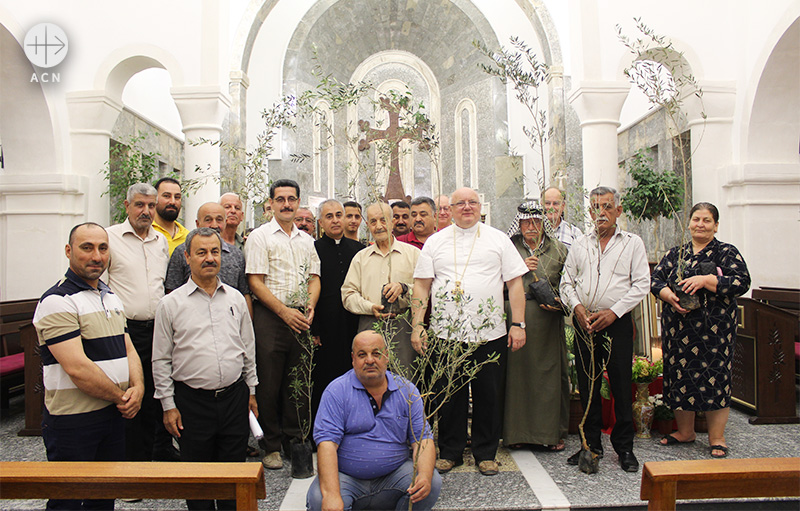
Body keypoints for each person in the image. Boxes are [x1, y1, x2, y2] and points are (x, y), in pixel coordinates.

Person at [411, 187, 528, 476]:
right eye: (459, 203)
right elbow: (421, 286)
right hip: (446, 333)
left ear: (480, 207)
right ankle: (450, 451)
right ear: (448, 210)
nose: (466, 207)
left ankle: (486, 452)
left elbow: (515, 284)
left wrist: (518, 324)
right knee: (450, 395)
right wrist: (417, 325)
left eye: (472, 202)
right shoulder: (436, 242)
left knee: (489, 395)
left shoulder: (498, 239)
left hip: (490, 333)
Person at [33, 222, 144, 511]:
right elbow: (77, 369)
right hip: (74, 421)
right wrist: (123, 398)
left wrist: (139, 387)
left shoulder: (109, 294)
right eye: (87, 248)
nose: (96, 256)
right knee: (68, 500)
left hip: (111, 415)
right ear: (69, 251)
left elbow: (127, 346)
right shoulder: (56, 300)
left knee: (103, 497)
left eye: (103, 248)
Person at [153, 228, 258, 510]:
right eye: (201, 252)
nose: (209, 258)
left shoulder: (236, 298)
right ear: (187, 257)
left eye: (214, 252)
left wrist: (251, 391)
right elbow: (161, 359)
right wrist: (167, 405)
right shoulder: (170, 304)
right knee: (197, 479)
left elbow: (248, 347)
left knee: (232, 475)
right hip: (192, 402)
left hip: (234, 398)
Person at [559, 186, 650, 473]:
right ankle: (591, 445)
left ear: (618, 211)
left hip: (617, 323)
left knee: (621, 384)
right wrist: (578, 308)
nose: (601, 213)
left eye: (607, 207)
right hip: (585, 323)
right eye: (596, 207)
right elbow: (566, 283)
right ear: (589, 212)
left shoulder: (632, 243)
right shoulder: (580, 244)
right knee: (588, 386)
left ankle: (624, 448)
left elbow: (642, 284)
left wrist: (614, 312)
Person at [651, 202, 750, 458]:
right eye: (696, 219)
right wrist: (668, 296)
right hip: (679, 331)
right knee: (681, 378)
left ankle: (717, 437)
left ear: (715, 225)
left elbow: (742, 282)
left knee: (715, 379)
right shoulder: (677, 254)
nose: (700, 224)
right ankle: (686, 432)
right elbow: (656, 280)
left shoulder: (726, 253)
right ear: (689, 222)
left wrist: (707, 280)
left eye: (707, 220)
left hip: (715, 332)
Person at [306, 330, 441, 511]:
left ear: (386, 356)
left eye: (376, 353)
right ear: (353, 359)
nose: (370, 360)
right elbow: (327, 445)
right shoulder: (336, 391)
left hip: (394, 475)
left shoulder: (406, 391)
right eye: (362, 355)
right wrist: (331, 495)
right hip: (346, 478)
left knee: (432, 482)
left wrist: (423, 476)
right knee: (318, 499)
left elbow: (422, 439)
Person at [245, 179, 321, 469]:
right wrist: (283, 311)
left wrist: (310, 304)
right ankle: (271, 445)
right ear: (272, 204)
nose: (287, 204)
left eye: (292, 199)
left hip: (302, 317)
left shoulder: (307, 241)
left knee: (298, 383)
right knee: (269, 383)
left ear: (298, 203)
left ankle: (296, 442)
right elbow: (255, 281)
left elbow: (314, 278)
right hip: (270, 317)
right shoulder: (260, 237)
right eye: (280, 199)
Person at [105, 183, 174, 463]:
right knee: (131, 397)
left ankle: (160, 457)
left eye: (150, 205)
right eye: (139, 205)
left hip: (158, 330)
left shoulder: (160, 242)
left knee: (159, 395)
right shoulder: (110, 238)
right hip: (124, 331)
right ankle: (132, 465)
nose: (145, 211)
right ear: (126, 206)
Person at [503, 200, 569, 451]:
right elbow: (493, 282)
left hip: (547, 320)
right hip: (514, 318)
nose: (531, 226)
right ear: (518, 223)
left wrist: (561, 304)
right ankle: (515, 433)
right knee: (515, 378)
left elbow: (570, 284)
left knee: (548, 376)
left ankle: (550, 433)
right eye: (526, 222)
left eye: (536, 221)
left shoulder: (559, 250)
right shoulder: (507, 247)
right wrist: (519, 270)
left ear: (544, 223)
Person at [342, 202, 420, 372]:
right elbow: (347, 295)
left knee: (404, 379)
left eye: (383, 220)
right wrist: (370, 307)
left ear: (392, 221)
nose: (378, 226)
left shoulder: (413, 254)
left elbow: (425, 290)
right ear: (367, 225)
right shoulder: (360, 258)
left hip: (403, 324)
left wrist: (404, 288)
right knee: (369, 377)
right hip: (370, 324)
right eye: (373, 221)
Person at [311, 199, 365, 414]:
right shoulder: (313, 249)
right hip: (324, 328)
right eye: (329, 216)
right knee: (324, 380)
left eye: (338, 215)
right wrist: (314, 328)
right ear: (320, 222)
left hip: (353, 324)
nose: (335, 220)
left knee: (354, 376)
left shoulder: (358, 250)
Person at [164, 202, 251, 316]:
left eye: (219, 220)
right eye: (208, 220)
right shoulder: (182, 252)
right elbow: (172, 291)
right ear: (197, 223)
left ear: (225, 222)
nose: (214, 225)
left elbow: (244, 293)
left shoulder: (236, 254)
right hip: (190, 319)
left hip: (228, 320)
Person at [151, 177, 189, 256]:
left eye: (177, 197)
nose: (172, 202)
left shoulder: (187, 237)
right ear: (154, 199)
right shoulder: (146, 231)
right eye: (166, 196)